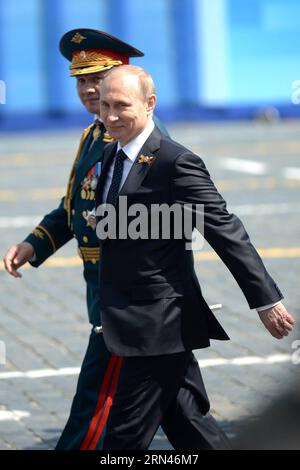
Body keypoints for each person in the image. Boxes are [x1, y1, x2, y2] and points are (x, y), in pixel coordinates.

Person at [3, 29, 230, 450]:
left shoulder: (135, 136)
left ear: (123, 78)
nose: (89, 89)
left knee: (96, 408)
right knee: (182, 410)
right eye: (81, 81)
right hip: (116, 297)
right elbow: (76, 205)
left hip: (132, 303)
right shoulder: (95, 135)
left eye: (99, 78)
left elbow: (199, 220)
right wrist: (35, 243)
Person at [95, 65, 295, 450]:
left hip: (158, 322)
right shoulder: (111, 154)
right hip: (135, 317)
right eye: (104, 105)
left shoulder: (174, 162)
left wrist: (265, 299)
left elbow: (223, 228)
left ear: (150, 104)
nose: (110, 115)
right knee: (189, 427)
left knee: (121, 442)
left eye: (121, 105)